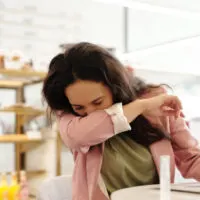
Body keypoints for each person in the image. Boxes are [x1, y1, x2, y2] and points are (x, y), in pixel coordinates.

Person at [42, 42, 200, 200]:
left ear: (115, 88)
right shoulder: (70, 118)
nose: (89, 113)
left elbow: (190, 158)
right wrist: (141, 106)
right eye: (79, 107)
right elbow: (79, 136)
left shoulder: (155, 101)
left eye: (98, 102)